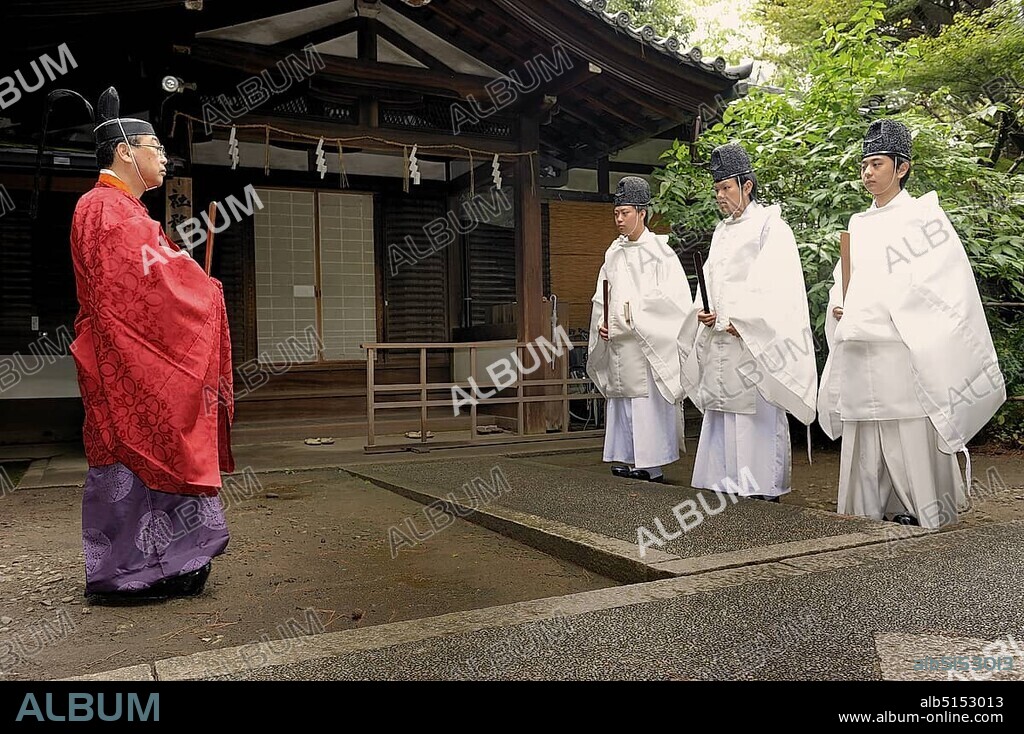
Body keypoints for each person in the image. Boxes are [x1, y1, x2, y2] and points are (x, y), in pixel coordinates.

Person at [69, 87, 235, 602]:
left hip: (128, 356)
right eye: (155, 148)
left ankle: (170, 565)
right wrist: (201, 289)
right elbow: (139, 292)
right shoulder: (108, 210)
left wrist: (188, 280)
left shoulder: (121, 210)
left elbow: (151, 279)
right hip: (125, 360)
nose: (163, 158)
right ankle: (128, 574)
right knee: (136, 457)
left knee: (153, 455)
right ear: (125, 151)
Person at [817, 119, 1005, 528]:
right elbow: (843, 278)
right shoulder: (859, 223)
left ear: (902, 167)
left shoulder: (923, 217)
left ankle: (924, 510)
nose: (868, 173)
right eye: (865, 164)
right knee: (865, 437)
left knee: (908, 434)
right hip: (860, 347)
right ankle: (863, 515)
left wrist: (871, 308)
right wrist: (839, 305)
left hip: (897, 347)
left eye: (877, 164)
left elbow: (934, 286)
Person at [680, 143, 818, 502]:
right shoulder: (721, 232)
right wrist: (704, 311)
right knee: (723, 411)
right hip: (721, 340)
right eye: (717, 189)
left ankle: (762, 486)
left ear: (747, 185)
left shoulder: (771, 227)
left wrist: (747, 319)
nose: (721, 196)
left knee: (756, 414)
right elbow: (709, 280)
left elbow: (777, 283)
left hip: (752, 341)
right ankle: (724, 483)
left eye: (726, 187)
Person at [587, 176, 696, 482]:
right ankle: (624, 454)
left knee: (645, 404)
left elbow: (671, 303)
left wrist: (630, 317)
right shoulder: (614, 252)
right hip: (619, 344)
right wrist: (602, 322)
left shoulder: (661, 252)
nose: (619, 219)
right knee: (622, 400)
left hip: (645, 343)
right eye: (616, 214)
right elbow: (601, 295)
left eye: (625, 213)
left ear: (642, 213)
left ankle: (650, 461)